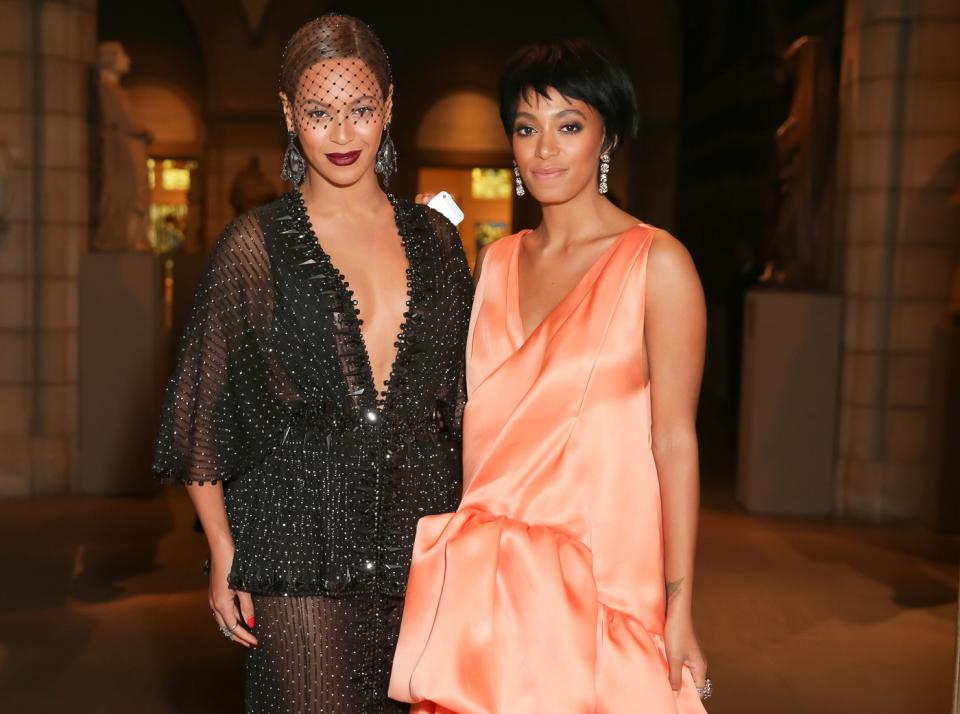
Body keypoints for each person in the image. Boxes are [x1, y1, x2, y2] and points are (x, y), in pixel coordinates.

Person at [153, 15, 473, 713]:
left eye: (361, 110)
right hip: (296, 549)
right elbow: (200, 413)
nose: (343, 134)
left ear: (389, 108)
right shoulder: (254, 246)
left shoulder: (439, 243)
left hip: (425, 549)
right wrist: (221, 549)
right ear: (289, 114)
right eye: (320, 113)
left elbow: (470, 401)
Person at [390, 40, 710, 712]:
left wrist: (680, 604)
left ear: (607, 138)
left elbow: (675, 441)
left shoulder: (658, 264)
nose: (544, 150)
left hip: (599, 590)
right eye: (527, 129)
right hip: (486, 595)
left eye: (569, 126)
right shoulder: (497, 265)